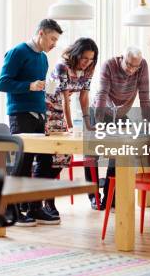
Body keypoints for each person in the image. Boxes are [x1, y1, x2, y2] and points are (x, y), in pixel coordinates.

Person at [0, 18, 63, 226]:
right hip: (21, 115)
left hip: (40, 115)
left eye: (56, 40)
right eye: (52, 39)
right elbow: (2, 83)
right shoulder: (17, 52)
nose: (54, 44)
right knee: (22, 164)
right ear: (41, 33)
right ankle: (12, 211)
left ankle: (35, 207)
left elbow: (39, 86)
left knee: (44, 163)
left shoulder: (43, 59)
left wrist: (46, 87)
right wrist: (29, 86)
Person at [88, 46, 150, 210]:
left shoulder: (142, 66)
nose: (132, 70)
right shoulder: (109, 65)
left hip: (121, 113)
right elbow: (102, 94)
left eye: (135, 66)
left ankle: (111, 196)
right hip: (100, 111)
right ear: (121, 58)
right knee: (91, 154)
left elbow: (144, 95)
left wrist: (148, 121)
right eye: (129, 64)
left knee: (119, 153)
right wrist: (99, 124)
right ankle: (94, 196)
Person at [44, 37, 99, 217]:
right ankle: (47, 202)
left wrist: (87, 122)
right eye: (84, 58)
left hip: (62, 108)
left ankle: (41, 199)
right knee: (54, 158)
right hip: (49, 109)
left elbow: (83, 97)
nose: (87, 62)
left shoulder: (89, 68)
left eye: (91, 59)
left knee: (62, 159)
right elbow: (63, 99)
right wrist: (68, 126)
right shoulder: (62, 66)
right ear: (76, 54)